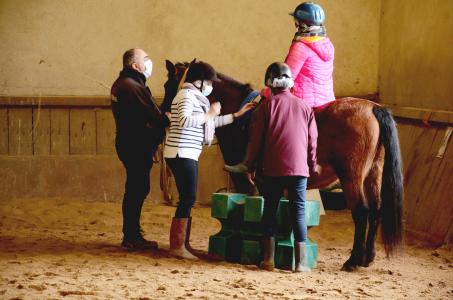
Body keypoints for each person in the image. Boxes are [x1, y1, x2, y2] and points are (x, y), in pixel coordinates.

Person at [225, 1, 334, 173]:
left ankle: (248, 162)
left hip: (302, 99)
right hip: (327, 99)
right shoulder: (327, 44)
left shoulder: (300, 47)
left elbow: (285, 78)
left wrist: (266, 92)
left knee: (258, 115)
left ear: (300, 23)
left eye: (296, 21)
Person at [163, 61, 255, 259]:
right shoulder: (186, 96)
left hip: (186, 152)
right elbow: (185, 121)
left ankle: (183, 245)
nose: (211, 86)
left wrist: (236, 115)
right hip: (182, 152)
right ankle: (177, 246)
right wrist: (210, 113)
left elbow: (210, 123)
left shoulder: (195, 97)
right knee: (187, 198)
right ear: (198, 82)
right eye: (208, 82)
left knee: (187, 198)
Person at [247, 62, 319, 272]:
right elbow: (313, 140)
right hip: (299, 170)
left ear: (269, 83)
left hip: (272, 170)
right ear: (290, 82)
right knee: (298, 211)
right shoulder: (306, 107)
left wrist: (251, 165)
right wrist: (312, 164)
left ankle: (268, 260)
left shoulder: (264, 108)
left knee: (269, 210)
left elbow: (256, 141)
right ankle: (302, 263)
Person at [111, 48, 170, 251]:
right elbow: (153, 116)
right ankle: (131, 235)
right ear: (135, 66)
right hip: (135, 145)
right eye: (146, 59)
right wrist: (166, 119)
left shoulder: (129, 84)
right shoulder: (131, 86)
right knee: (137, 189)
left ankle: (132, 232)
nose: (149, 62)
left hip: (133, 144)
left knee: (137, 188)